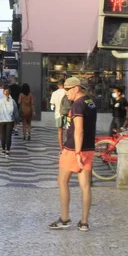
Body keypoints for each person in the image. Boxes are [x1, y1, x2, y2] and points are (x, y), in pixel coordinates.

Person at [49, 77, 97, 232]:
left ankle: (64, 218)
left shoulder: (77, 105)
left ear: (76, 88)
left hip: (74, 150)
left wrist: (76, 153)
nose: (66, 93)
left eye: (68, 89)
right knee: (85, 186)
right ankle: (84, 222)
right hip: (89, 148)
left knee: (62, 181)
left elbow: (79, 130)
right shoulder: (90, 102)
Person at [0, 86, 18, 157]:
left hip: (1, 120)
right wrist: (17, 120)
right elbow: (15, 111)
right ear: (9, 93)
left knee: (2, 135)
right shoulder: (12, 101)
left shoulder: (0, 101)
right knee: (9, 136)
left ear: (3, 93)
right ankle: (8, 150)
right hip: (10, 120)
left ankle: (3, 150)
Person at [50, 80, 68, 152]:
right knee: (68, 131)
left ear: (58, 85)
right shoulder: (67, 92)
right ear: (64, 85)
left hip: (58, 114)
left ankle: (61, 149)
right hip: (67, 114)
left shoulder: (54, 93)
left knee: (60, 132)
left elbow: (52, 105)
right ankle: (67, 147)